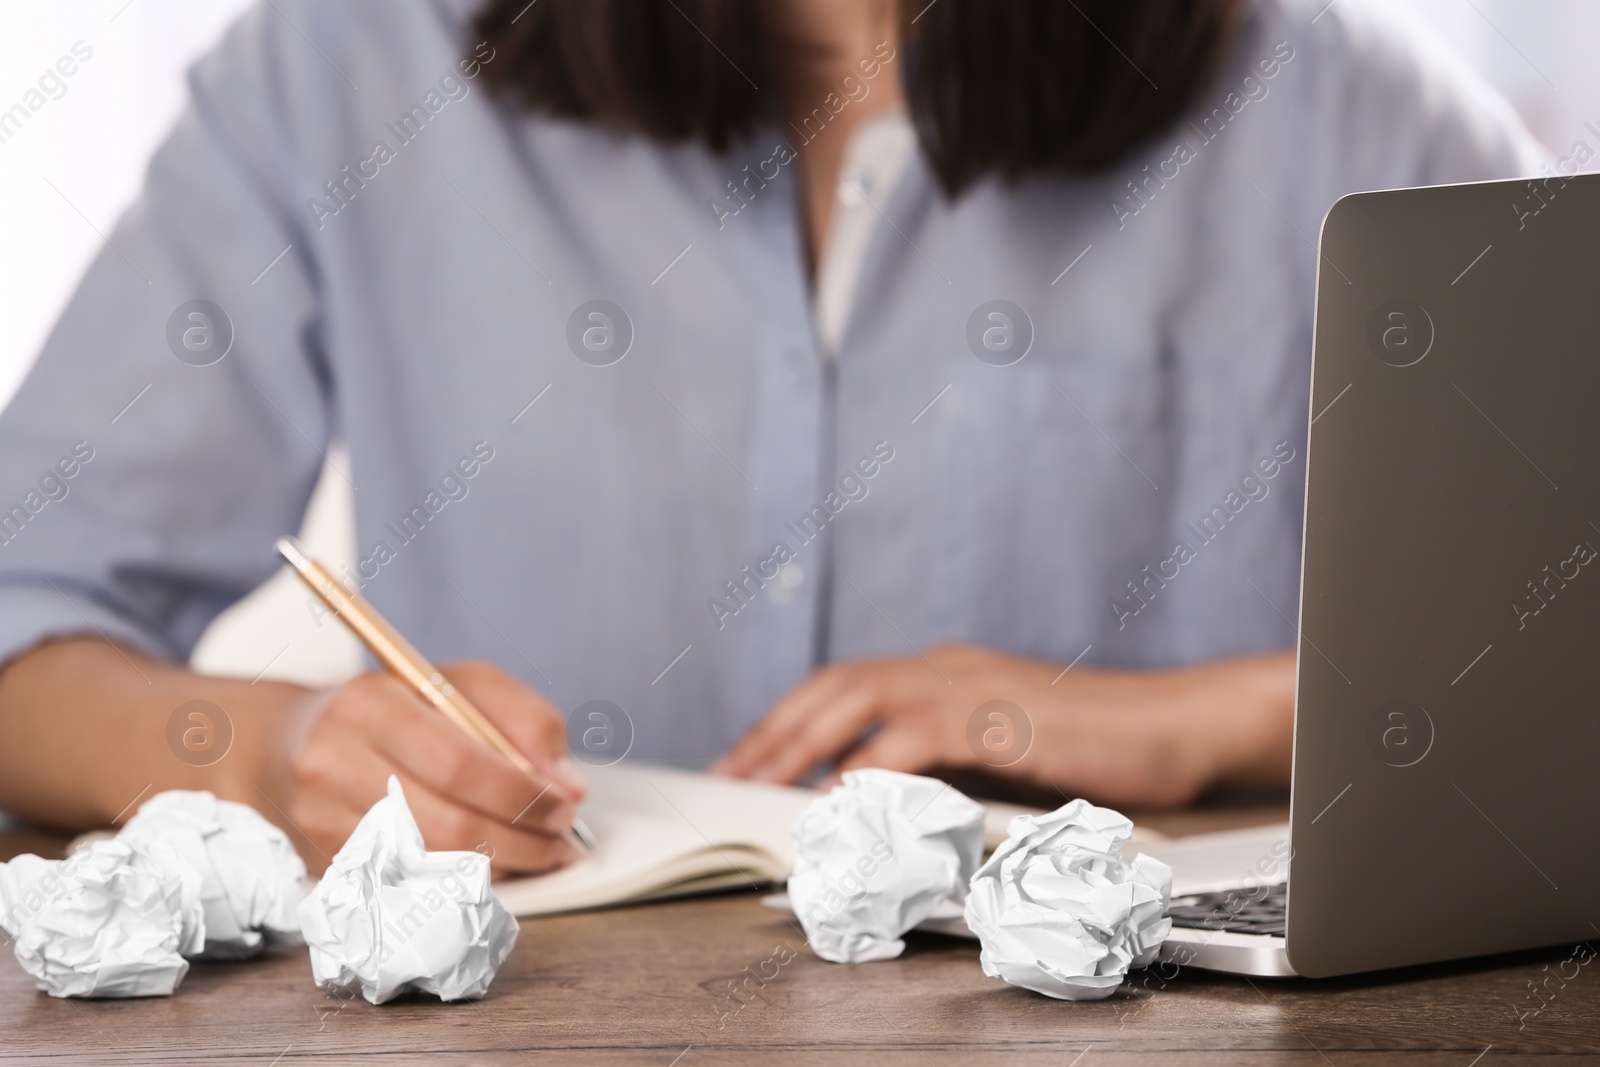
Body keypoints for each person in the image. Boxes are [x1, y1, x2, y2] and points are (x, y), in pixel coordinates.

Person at [0, 0, 1544, 873]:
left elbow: (1565, 658)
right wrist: (278, 754)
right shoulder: (342, 73)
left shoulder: (1358, 115)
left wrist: (1210, 718)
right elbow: (25, 609)